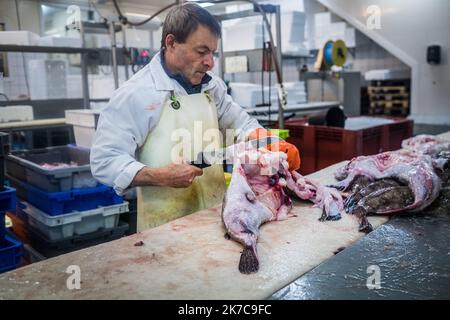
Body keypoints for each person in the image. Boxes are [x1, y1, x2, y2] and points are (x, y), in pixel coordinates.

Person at [90, 2, 300, 231]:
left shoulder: (213, 87)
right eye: (201, 52)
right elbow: (105, 160)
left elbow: (240, 123)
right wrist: (159, 176)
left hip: (219, 218)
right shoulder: (136, 93)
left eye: (212, 53)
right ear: (171, 43)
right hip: (164, 230)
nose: (210, 63)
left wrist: (269, 142)